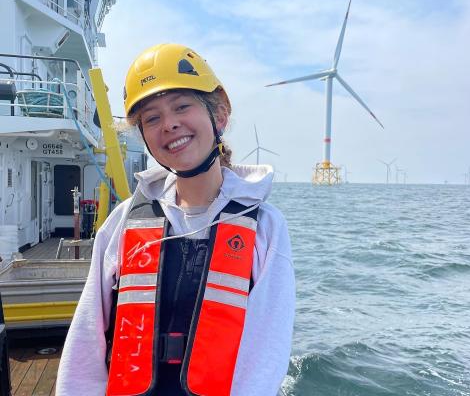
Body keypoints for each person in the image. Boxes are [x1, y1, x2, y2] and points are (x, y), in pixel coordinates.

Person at [57, 43, 295, 396]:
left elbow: (266, 352)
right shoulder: (124, 222)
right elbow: (86, 341)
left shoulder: (264, 228)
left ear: (220, 115)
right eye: (151, 118)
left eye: (182, 106)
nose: (168, 124)